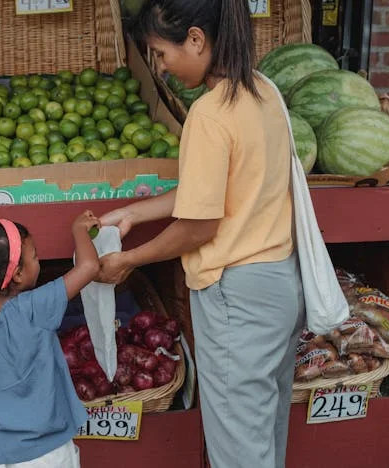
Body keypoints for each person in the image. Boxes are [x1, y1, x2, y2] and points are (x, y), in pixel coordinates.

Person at [96, 1, 305, 467]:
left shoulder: (210, 114)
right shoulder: (263, 94)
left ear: (195, 38)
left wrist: (130, 259)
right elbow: (217, 192)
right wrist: (135, 212)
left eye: (161, 53)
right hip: (279, 289)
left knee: (238, 452)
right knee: (264, 440)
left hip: (239, 299)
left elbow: (200, 224)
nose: (161, 67)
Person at [0, 212, 101, 468]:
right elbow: (89, 267)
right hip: (45, 454)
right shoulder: (33, 308)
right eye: (35, 257)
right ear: (17, 274)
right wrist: (79, 230)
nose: (38, 261)